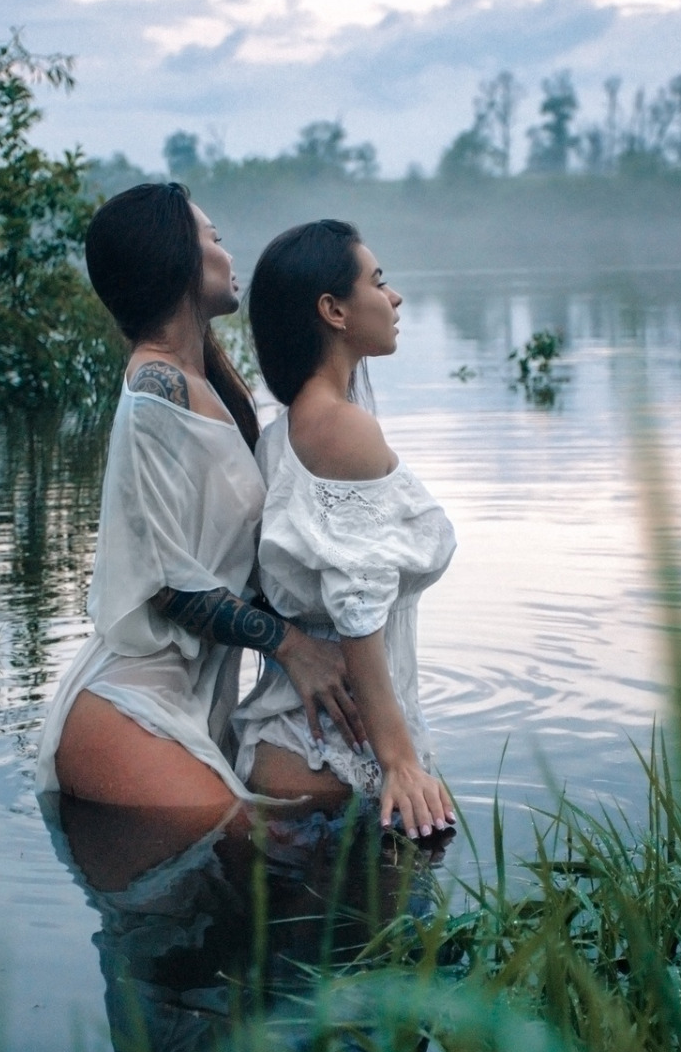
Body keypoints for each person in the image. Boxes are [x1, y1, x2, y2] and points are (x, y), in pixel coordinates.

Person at [35, 184, 365, 828]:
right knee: (259, 857)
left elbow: (233, 570)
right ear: (179, 260)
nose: (226, 249)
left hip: (188, 699)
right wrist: (291, 645)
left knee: (267, 893)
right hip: (133, 707)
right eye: (212, 238)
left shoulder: (199, 385)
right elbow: (165, 585)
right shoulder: (156, 390)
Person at [233, 219, 458, 840]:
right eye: (378, 282)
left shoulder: (289, 429)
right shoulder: (339, 428)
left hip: (306, 752)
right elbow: (359, 611)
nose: (394, 298)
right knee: (391, 938)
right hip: (333, 765)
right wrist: (401, 763)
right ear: (332, 310)